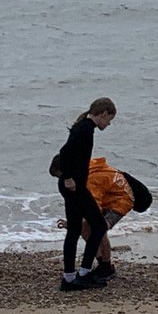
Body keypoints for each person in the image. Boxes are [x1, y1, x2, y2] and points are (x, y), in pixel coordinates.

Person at [55, 97, 117, 291]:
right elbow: (64, 153)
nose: (109, 124)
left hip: (73, 186)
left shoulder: (83, 126)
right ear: (103, 114)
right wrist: (68, 177)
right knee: (98, 225)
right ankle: (83, 272)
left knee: (74, 230)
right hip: (74, 187)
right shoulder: (85, 129)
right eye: (109, 119)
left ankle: (69, 277)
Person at [56, 156, 148, 280]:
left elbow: (94, 210)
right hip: (108, 197)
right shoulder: (85, 167)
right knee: (86, 229)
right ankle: (101, 262)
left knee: (99, 229)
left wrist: (72, 223)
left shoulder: (89, 180)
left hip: (121, 201)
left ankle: (106, 266)